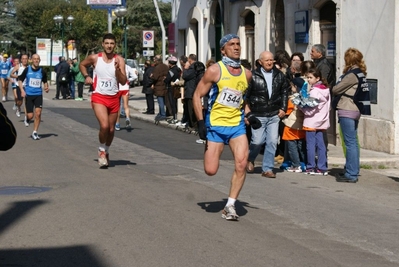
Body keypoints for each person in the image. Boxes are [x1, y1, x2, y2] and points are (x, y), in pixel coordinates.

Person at [193, 34, 254, 221]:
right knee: (210, 170)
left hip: (236, 126)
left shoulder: (247, 73)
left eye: (238, 44)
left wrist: (249, 114)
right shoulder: (214, 70)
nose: (236, 47)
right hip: (215, 126)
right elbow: (197, 95)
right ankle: (208, 147)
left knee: (242, 163)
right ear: (222, 50)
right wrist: (201, 122)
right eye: (231, 45)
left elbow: (242, 99)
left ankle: (230, 205)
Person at [79, 33, 127, 167]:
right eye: (107, 43)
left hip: (114, 98)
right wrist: (86, 76)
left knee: (111, 130)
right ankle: (101, 150)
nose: (109, 46)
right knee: (104, 126)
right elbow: (82, 65)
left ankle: (106, 150)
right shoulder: (95, 58)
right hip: (99, 96)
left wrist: (118, 70)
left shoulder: (119, 60)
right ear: (103, 44)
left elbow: (123, 82)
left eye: (112, 43)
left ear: (115, 45)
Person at [245, 51, 290, 178]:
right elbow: (245, 96)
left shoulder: (279, 75)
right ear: (260, 62)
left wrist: (283, 108)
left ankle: (268, 168)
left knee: (272, 142)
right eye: (267, 60)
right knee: (258, 141)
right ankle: (250, 158)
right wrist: (247, 114)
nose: (270, 62)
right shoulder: (252, 76)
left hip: (274, 114)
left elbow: (285, 91)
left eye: (272, 60)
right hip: (258, 114)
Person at [332, 48, 367, 183]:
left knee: (350, 142)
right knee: (353, 142)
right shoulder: (361, 73)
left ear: (349, 59)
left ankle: (351, 174)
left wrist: (338, 83)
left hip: (347, 109)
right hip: (355, 109)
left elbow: (336, 89)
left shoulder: (352, 75)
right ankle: (352, 170)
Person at [298, 68, 330, 175]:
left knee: (310, 145)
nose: (308, 80)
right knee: (321, 145)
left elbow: (310, 110)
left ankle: (310, 166)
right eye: (307, 77)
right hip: (322, 121)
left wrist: (300, 106)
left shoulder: (314, 91)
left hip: (311, 121)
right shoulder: (325, 90)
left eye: (311, 77)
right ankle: (322, 167)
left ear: (317, 78)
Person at [18, 54, 50, 140]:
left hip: (38, 95)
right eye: (34, 59)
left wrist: (46, 87)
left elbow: (45, 81)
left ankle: (35, 132)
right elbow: (20, 80)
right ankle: (27, 119)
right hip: (29, 95)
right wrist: (22, 90)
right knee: (30, 115)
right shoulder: (27, 70)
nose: (36, 60)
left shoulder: (42, 71)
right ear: (31, 60)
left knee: (38, 114)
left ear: (39, 60)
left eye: (37, 59)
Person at [282, 77, 307, 172]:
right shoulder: (304, 97)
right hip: (301, 125)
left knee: (291, 146)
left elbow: (287, 110)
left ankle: (296, 165)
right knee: (301, 146)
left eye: (292, 86)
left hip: (291, 125)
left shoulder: (293, 98)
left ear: (295, 86)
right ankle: (305, 162)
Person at [115, 63, 137, 131]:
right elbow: (135, 76)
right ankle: (127, 118)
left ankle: (117, 124)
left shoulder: (115, 67)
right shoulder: (127, 67)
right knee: (126, 105)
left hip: (117, 88)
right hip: (125, 87)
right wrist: (128, 80)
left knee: (118, 107)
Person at [182, 54, 199, 130]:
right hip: (191, 90)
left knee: (191, 109)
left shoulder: (192, 68)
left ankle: (193, 125)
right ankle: (191, 124)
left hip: (191, 90)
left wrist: (185, 68)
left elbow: (185, 76)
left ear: (190, 59)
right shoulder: (195, 67)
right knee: (189, 108)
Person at [150, 56, 169, 121]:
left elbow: (155, 77)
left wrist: (151, 76)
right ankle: (162, 113)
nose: (154, 61)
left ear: (157, 61)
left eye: (154, 60)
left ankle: (162, 114)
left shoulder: (157, 68)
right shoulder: (166, 66)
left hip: (159, 86)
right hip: (164, 85)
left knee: (160, 101)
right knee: (163, 101)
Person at [164, 56, 181, 124]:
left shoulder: (171, 71)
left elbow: (167, 79)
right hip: (176, 88)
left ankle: (174, 118)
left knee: (172, 103)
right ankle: (175, 117)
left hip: (171, 88)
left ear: (170, 63)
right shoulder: (178, 69)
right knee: (175, 103)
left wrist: (165, 79)